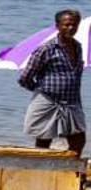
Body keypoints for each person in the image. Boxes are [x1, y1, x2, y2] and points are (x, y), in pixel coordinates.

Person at [17, 9, 85, 156]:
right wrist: (42, 91)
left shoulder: (78, 47)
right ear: (57, 26)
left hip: (71, 102)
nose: (71, 28)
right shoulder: (46, 49)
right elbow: (25, 78)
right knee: (44, 141)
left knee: (78, 140)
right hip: (48, 101)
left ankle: (72, 173)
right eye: (66, 25)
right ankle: (41, 172)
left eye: (74, 25)